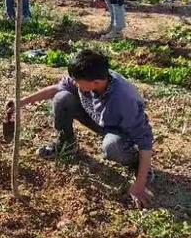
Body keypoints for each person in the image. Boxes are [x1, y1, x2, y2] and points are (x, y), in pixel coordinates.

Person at [9, 50, 154, 208]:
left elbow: (145, 141)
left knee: (112, 147)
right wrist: (21, 102)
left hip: (120, 130)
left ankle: (137, 164)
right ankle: (67, 144)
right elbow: (57, 88)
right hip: (98, 119)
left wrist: (139, 185)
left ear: (96, 83)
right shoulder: (89, 76)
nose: (75, 83)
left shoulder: (124, 100)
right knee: (62, 98)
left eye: (78, 81)